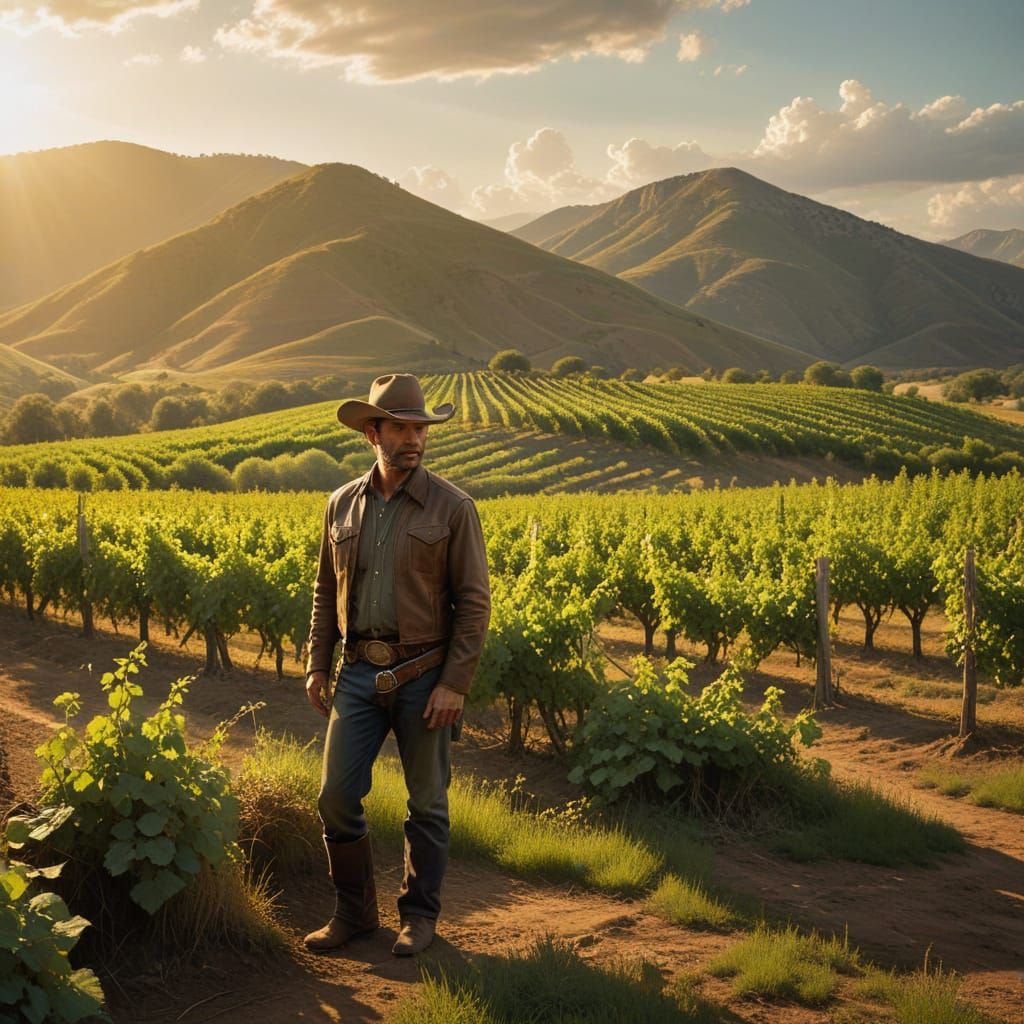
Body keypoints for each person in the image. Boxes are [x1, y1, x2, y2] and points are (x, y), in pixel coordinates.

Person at [303, 372, 491, 957]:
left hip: (424, 676)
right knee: (336, 794)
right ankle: (354, 914)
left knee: (427, 800)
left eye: (420, 430)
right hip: (358, 673)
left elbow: (475, 604)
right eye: (401, 428)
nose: (413, 439)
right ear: (372, 433)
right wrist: (317, 664)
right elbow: (322, 592)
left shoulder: (454, 508)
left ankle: (418, 917)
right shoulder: (340, 504)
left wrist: (454, 684)